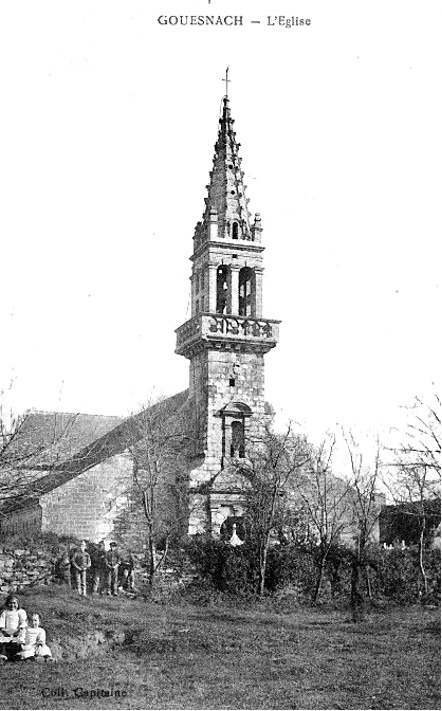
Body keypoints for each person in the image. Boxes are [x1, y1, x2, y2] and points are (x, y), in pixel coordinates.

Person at [0, 595, 27, 662]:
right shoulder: (5, 612)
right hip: (7, 631)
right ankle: (4, 655)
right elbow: (2, 621)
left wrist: (19, 629)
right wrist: (3, 629)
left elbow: (23, 622)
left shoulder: (20, 612)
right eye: (10, 603)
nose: (12, 605)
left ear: (18, 604)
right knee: (4, 641)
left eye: (14, 603)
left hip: (17, 631)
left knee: (19, 639)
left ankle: (17, 655)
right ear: (7, 604)